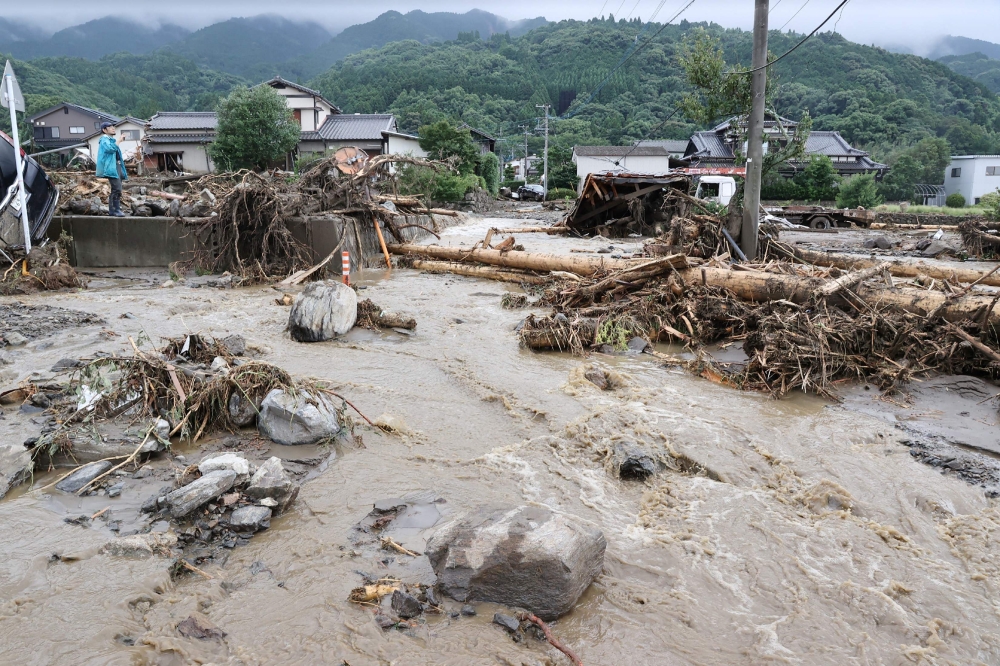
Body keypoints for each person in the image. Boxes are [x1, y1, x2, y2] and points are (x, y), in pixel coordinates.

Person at [95, 122, 128, 217]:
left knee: (117, 188)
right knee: (117, 188)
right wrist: (119, 141)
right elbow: (110, 149)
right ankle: (114, 210)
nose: (113, 128)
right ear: (104, 130)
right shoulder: (104, 139)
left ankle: (115, 209)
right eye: (110, 127)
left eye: (113, 126)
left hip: (116, 166)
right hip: (111, 167)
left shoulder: (111, 139)